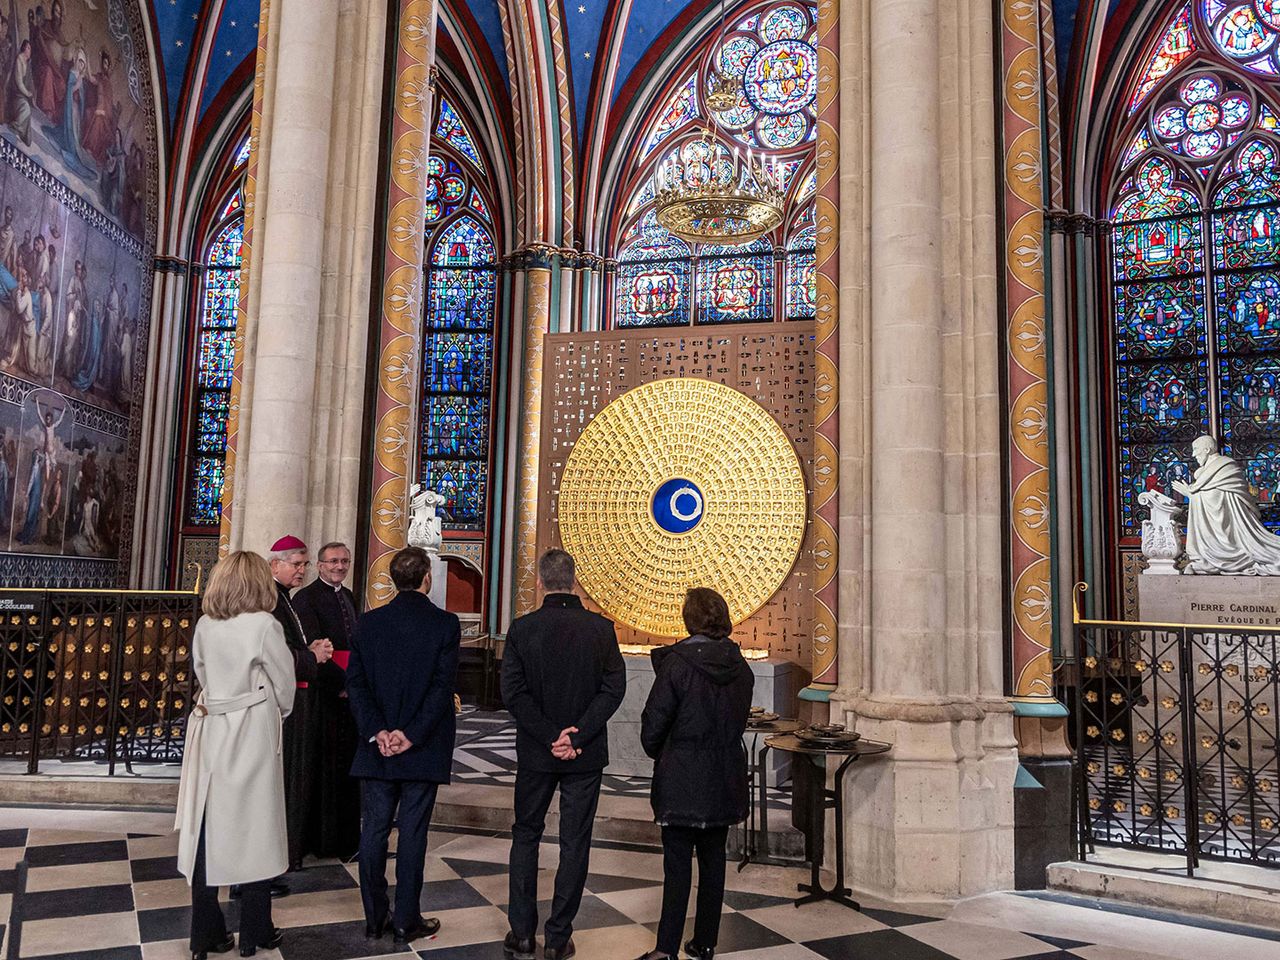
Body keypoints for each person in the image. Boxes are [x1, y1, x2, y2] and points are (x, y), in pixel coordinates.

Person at [501, 549, 625, 960]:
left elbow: (513, 693)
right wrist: (577, 735)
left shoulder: (522, 629)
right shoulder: (600, 629)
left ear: (540, 581)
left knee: (526, 834)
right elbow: (613, 689)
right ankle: (557, 937)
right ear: (574, 581)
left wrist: (549, 735)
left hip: (537, 753)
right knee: (574, 841)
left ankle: (521, 933)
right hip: (584, 755)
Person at [174, 551, 296, 960]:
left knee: (207, 828)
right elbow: (284, 684)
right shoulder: (265, 624)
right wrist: (273, 711)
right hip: (251, 730)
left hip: (210, 727)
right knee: (255, 827)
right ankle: (255, 930)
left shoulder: (207, 624)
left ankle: (204, 935)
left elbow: (202, 675)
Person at [346, 546, 459, 944]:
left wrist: (379, 732)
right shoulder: (445, 624)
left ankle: (374, 917)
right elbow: (441, 689)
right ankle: (406, 919)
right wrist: (410, 735)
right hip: (422, 748)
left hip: (376, 747)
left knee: (374, 832)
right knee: (412, 833)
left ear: (394, 579)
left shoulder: (368, 623)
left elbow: (356, 685)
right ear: (426, 577)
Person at [634, 588, 754, 960]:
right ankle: (705, 943)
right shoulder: (740, 667)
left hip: (682, 777)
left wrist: (664, 751)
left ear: (689, 619)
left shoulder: (678, 664)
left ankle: (666, 949)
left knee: (677, 866)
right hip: (723, 776)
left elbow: (654, 724)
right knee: (714, 862)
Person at [266, 535, 333, 886]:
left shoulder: (285, 599)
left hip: (298, 701)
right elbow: (274, 657)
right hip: (281, 711)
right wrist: (312, 657)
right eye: (296, 564)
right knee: (285, 780)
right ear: (274, 564)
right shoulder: (271, 602)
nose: (301, 571)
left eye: (305, 564)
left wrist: (309, 650)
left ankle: (290, 850)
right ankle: (281, 856)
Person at [291, 541, 361, 860]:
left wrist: (355, 683)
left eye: (344, 561)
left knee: (346, 768)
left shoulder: (347, 596)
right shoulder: (306, 598)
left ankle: (345, 839)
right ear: (319, 566)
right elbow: (316, 649)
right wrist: (342, 683)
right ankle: (321, 841)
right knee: (324, 768)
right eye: (333, 561)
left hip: (347, 694)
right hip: (323, 694)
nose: (340, 566)